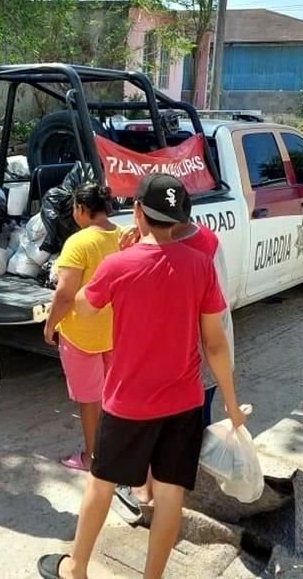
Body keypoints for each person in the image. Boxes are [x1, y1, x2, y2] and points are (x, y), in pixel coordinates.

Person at [37, 174, 245, 579]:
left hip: (128, 401)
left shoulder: (118, 264)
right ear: (181, 218)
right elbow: (215, 343)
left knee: (101, 483)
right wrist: (232, 404)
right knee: (170, 494)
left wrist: (117, 262)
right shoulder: (200, 266)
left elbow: (83, 307)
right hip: (183, 402)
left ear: (137, 213)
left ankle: (75, 568)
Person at [113, 201, 235, 521]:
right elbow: (220, 312)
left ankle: (149, 496)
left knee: (158, 438)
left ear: (144, 212)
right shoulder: (208, 241)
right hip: (205, 363)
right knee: (189, 437)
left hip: (179, 364)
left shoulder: (164, 255)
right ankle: (178, 496)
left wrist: (133, 249)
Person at [43, 182, 122, 472]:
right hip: (114, 331)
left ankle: (92, 457)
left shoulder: (79, 242)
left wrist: (50, 324)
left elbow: (64, 295)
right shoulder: (123, 235)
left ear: (81, 209)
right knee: (112, 395)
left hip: (82, 334)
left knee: (89, 400)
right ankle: (114, 449)